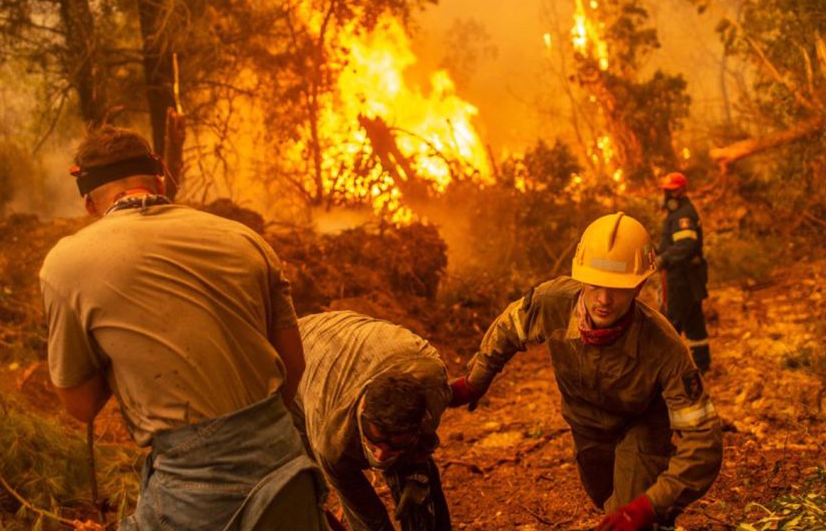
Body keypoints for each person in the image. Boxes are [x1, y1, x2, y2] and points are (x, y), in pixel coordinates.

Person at [39, 125, 327, 531]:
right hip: (285, 465)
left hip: (194, 489)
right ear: (160, 179)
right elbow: (293, 365)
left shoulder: (66, 264)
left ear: (88, 202)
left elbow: (81, 405)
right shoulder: (245, 240)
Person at [449, 213, 723, 531]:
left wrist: (651, 505)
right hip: (587, 426)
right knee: (605, 501)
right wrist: (476, 380)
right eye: (595, 285)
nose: (604, 300)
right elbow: (509, 328)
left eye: (618, 288)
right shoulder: (552, 303)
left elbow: (705, 442)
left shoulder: (663, 346)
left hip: (641, 426)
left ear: (639, 285)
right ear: (581, 278)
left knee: (633, 510)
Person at [292, 311, 453, 531]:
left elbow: (423, 441)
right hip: (294, 354)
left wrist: (417, 473)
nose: (380, 455)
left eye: (395, 445)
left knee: (417, 487)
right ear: (362, 409)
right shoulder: (331, 441)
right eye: (375, 440)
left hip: (382, 347)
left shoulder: (433, 388)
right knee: (307, 482)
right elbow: (366, 517)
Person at [655, 172, 711, 373]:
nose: (664, 195)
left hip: (682, 278)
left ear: (679, 191)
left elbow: (686, 245)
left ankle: (665, 369)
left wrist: (664, 258)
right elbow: (673, 244)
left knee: (671, 322)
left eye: (668, 191)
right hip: (689, 277)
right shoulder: (676, 213)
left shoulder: (683, 215)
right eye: (664, 191)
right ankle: (703, 364)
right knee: (693, 320)